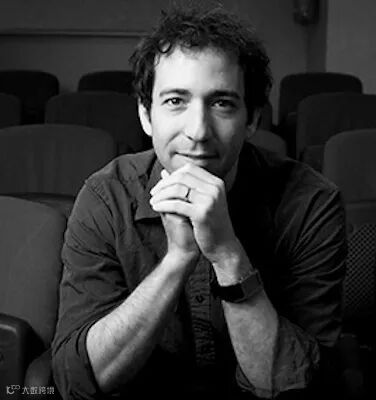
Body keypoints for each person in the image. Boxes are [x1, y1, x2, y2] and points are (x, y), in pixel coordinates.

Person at [51, 6, 346, 399]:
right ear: (146, 115)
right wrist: (178, 258)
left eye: (221, 103)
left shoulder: (311, 202)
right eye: (176, 101)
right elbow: (78, 382)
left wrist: (226, 254)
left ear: (252, 119)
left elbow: (294, 389)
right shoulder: (106, 197)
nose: (198, 132)